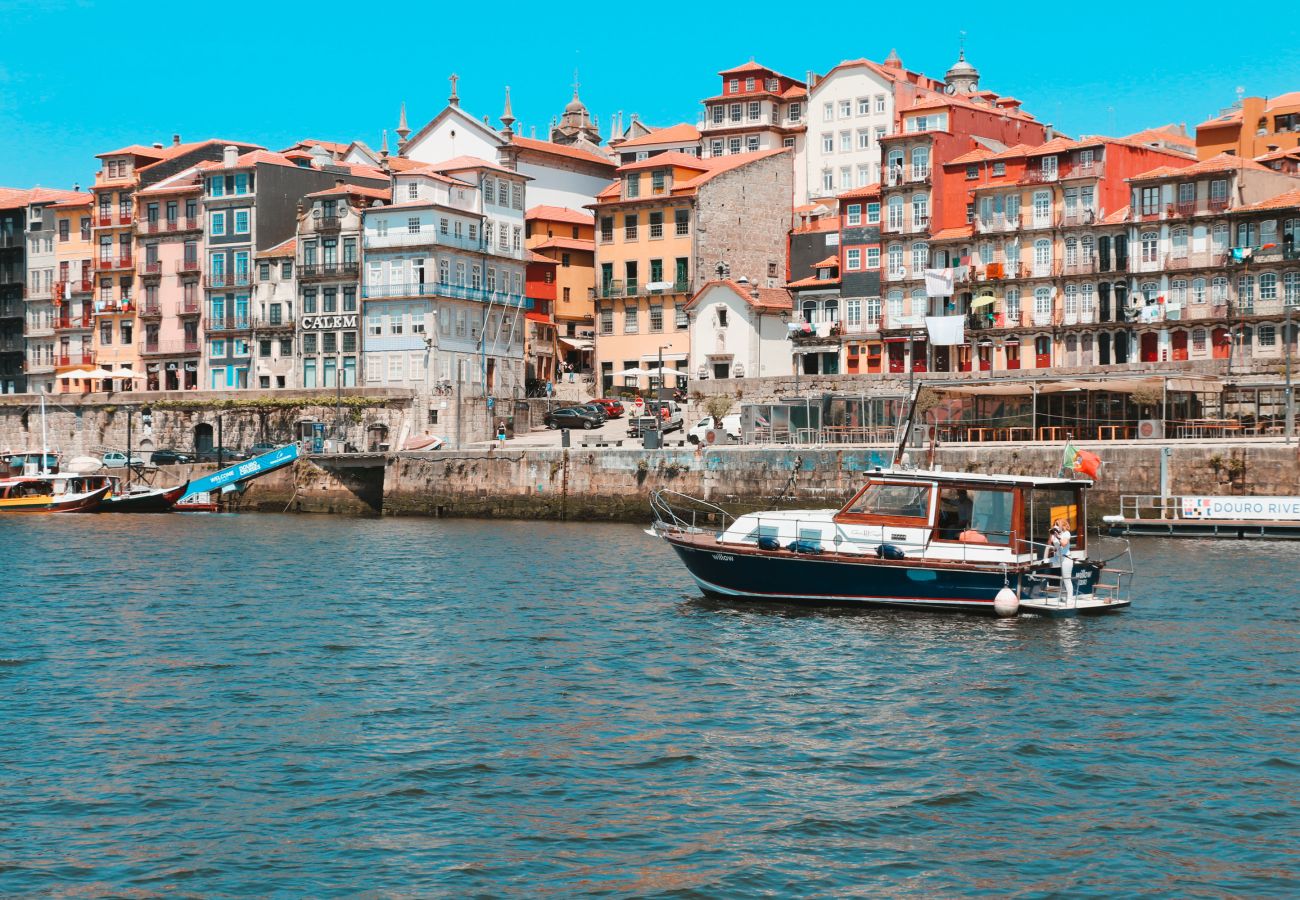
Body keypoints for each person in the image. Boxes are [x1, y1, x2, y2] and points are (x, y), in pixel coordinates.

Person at [1044, 517, 1074, 604]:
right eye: (1054, 524)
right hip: (1057, 558)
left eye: (1057, 524)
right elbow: (1049, 544)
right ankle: (1042, 584)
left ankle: (1070, 599)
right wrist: (1052, 534)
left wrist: (1058, 536)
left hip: (1066, 559)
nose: (1055, 526)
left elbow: (1064, 544)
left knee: (1066, 579)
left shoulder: (1066, 533)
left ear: (1062, 525)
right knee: (1043, 563)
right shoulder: (1055, 534)